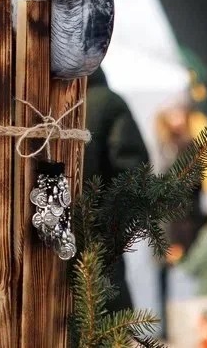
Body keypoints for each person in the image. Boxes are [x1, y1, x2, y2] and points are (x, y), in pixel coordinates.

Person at [82, 66, 149, 311]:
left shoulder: (103, 104)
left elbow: (132, 176)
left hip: (77, 246)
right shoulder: (107, 103)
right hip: (96, 251)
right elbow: (135, 175)